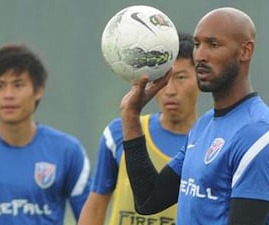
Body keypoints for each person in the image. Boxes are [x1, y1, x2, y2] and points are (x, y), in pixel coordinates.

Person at [120, 7, 269, 225]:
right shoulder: (204, 125)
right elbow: (149, 199)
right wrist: (131, 115)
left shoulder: (256, 133)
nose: (200, 56)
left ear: (245, 51)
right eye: (198, 44)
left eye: (213, 45)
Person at [0, 44, 91, 225]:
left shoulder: (68, 151)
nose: (8, 95)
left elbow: (90, 217)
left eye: (18, 85)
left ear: (38, 91)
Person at [78, 32, 200, 225]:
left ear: (200, 79)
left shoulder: (210, 143)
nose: (170, 90)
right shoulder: (118, 133)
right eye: (163, 79)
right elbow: (96, 206)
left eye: (181, 77)